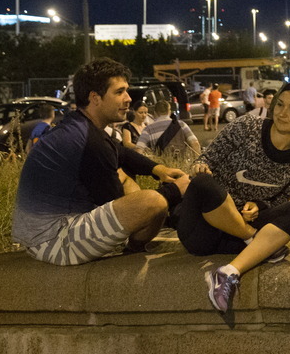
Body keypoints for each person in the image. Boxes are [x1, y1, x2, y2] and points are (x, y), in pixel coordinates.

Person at [11, 58, 189, 266]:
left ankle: (134, 245)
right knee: (152, 202)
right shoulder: (90, 141)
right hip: (53, 240)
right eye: (119, 92)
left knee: (128, 180)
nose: (128, 99)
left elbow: (121, 152)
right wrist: (174, 191)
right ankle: (132, 248)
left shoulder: (78, 126)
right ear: (95, 98)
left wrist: (159, 170)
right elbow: (115, 202)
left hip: (40, 232)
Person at [179, 80, 290, 312]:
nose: (282, 113)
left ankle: (229, 272)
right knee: (204, 182)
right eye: (280, 104)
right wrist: (199, 166)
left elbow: (279, 202)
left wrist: (258, 205)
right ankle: (252, 238)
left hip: (237, 242)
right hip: (204, 231)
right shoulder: (248, 126)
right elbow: (205, 160)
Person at [136, 99, 202, 159]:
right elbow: (195, 143)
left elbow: (139, 150)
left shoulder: (148, 129)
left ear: (155, 113)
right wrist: (196, 161)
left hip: (160, 167)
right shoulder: (181, 124)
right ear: (169, 112)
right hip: (181, 165)